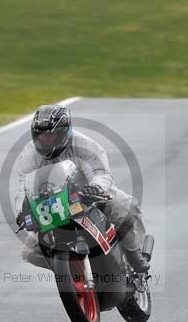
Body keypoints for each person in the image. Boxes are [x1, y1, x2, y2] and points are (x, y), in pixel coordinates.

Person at [14, 104, 150, 273]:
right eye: (42, 136)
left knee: (121, 206)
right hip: (55, 203)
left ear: (64, 132)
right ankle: (71, 273)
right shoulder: (29, 155)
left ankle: (133, 253)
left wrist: (94, 188)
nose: (46, 140)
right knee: (30, 252)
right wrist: (22, 211)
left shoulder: (85, 145)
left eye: (52, 135)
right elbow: (23, 187)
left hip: (88, 195)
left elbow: (100, 172)